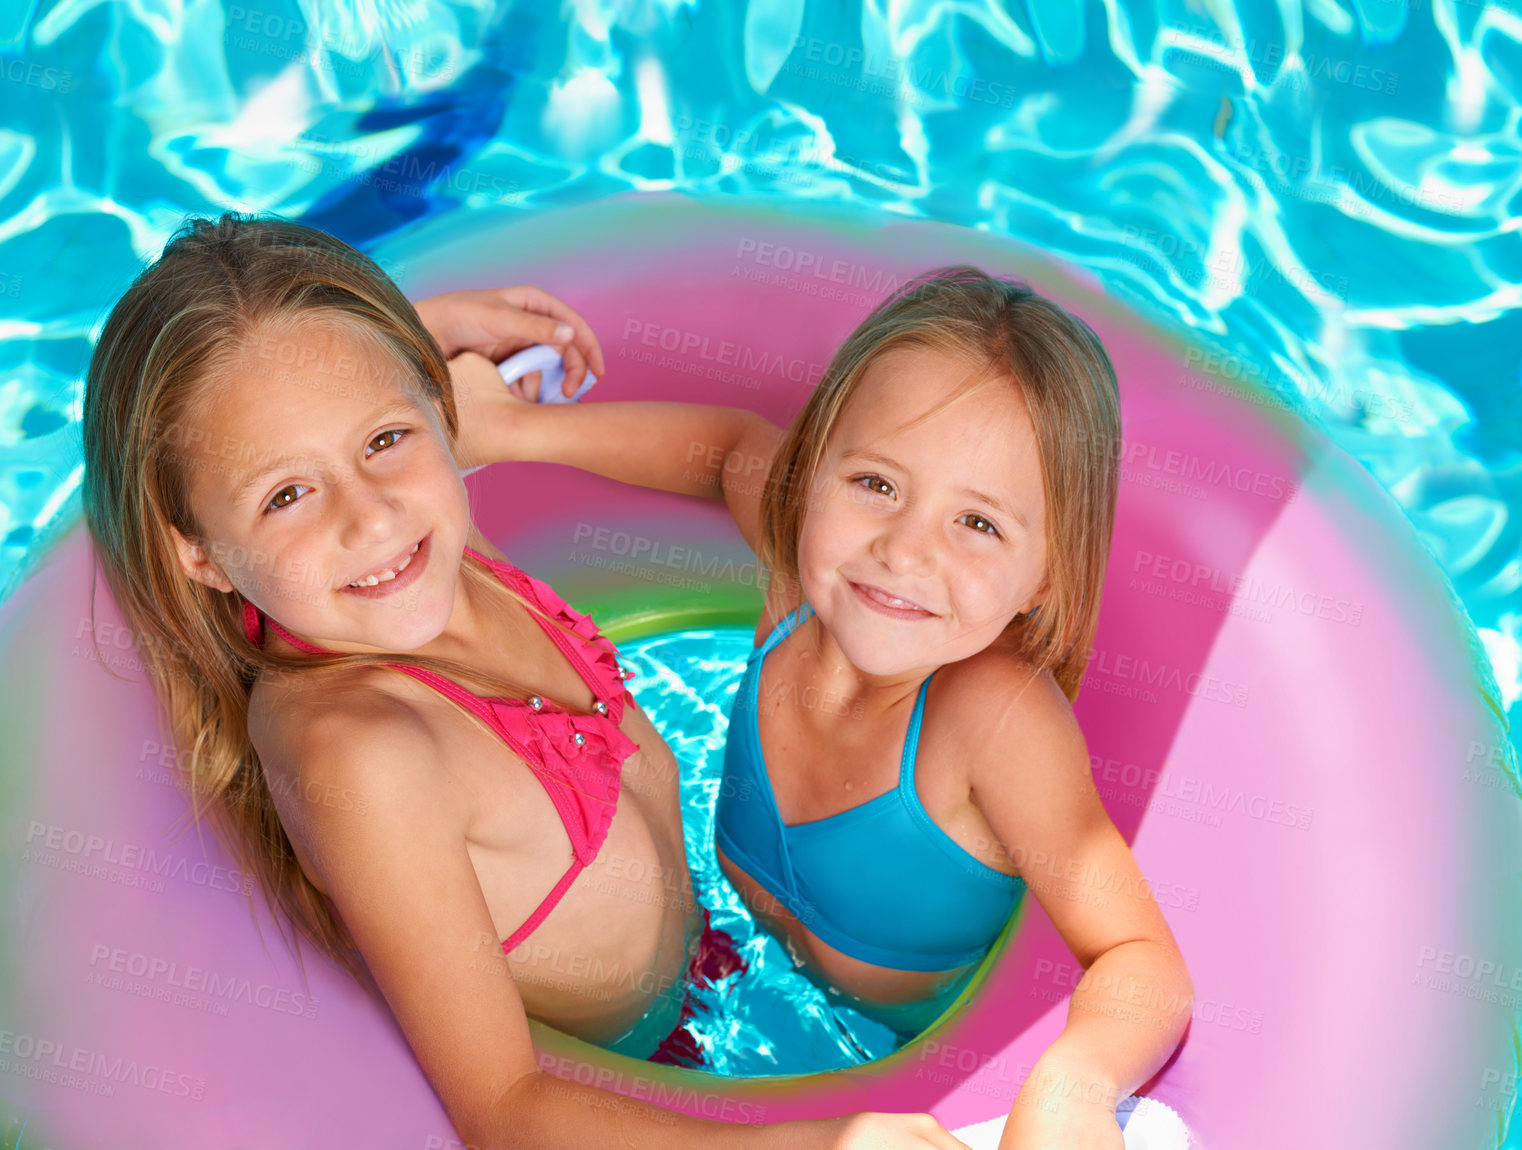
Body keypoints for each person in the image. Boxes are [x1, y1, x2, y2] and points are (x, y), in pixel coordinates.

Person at [78, 209, 971, 1150]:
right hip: (645, 1087)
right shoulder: (363, 749)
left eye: (384, 439)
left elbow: (333, 398)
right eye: (286, 496)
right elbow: (503, 1109)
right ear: (199, 556)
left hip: (713, 959)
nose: (371, 519)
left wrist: (464, 376)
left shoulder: (433, 563)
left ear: (435, 412)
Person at [454, 265, 1196, 1149]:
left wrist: (1073, 1086)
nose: (903, 551)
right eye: (876, 484)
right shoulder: (793, 579)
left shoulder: (991, 721)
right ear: (811, 477)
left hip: (887, 1038)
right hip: (716, 942)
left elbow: (1139, 959)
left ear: (1043, 579)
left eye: (979, 524)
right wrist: (512, 427)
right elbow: (731, 448)